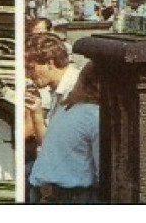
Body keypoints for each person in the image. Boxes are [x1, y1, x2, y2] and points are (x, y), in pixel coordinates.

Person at [28, 62, 101, 203]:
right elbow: (104, 173)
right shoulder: (95, 116)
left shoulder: (67, 108)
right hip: (69, 197)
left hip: (42, 192)